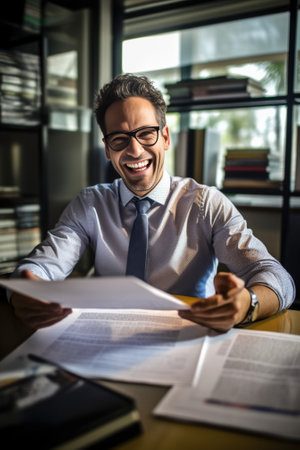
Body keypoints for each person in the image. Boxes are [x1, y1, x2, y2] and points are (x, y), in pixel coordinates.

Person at [9, 73, 295, 331]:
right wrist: (23, 290)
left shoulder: (207, 204)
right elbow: (40, 267)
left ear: (165, 137)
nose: (134, 150)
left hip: (188, 335)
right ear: (108, 149)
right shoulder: (90, 204)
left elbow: (275, 276)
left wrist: (249, 303)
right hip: (105, 335)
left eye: (146, 133)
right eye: (119, 139)